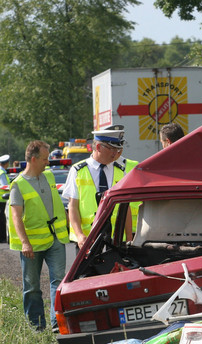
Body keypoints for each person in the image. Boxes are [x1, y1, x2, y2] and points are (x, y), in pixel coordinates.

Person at [8, 141, 69, 331]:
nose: (47, 163)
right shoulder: (18, 185)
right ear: (33, 159)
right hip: (31, 246)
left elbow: (57, 204)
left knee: (58, 282)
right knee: (32, 286)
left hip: (55, 240)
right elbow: (16, 217)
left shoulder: (49, 176)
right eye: (44, 159)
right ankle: (37, 326)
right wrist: (25, 243)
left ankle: (56, 324)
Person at [63, 125, 126, 249]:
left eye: (117, 149)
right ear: (98, 147)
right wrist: (79, 235)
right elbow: (73, 206)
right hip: (87, 240)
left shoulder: (120, 171)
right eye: (112, 148)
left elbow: (125, 207)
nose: (115, 153)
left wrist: (128, 238)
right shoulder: (77, 170)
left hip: (115, 239)